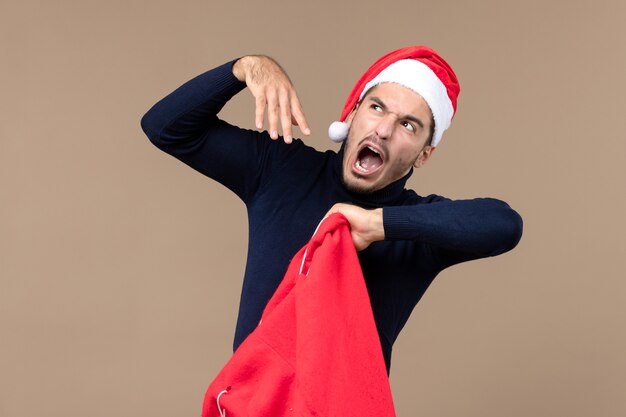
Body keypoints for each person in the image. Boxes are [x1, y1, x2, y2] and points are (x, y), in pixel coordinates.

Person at [140, 46, 523, 374]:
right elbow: (165, 127)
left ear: (424, 154)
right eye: (377, 108)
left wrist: (379, 223)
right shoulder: (280, 170)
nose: (384, 130)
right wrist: (246, 67)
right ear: (353, 115)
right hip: (251, 404)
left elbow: (504, 225)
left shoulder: (415, 228)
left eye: (408, 125)